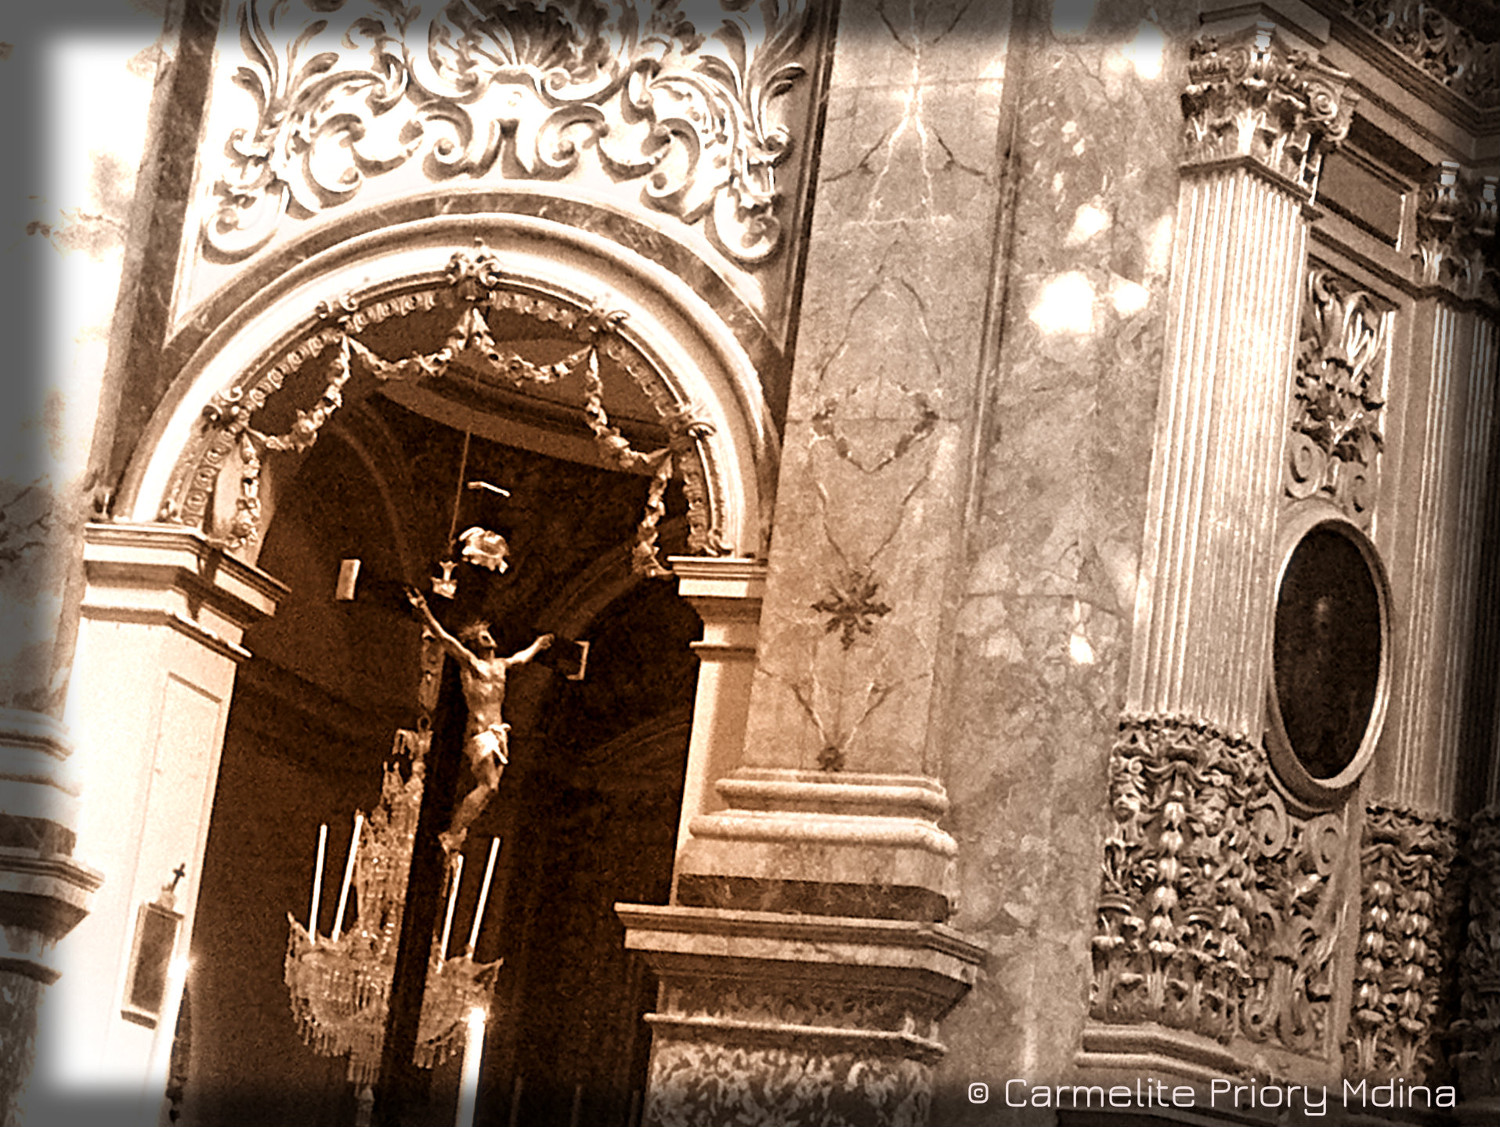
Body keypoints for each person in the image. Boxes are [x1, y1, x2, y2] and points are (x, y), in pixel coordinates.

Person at [407, 588, 553, 852]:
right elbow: (445, 638)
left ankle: (460, 831)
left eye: (489, 635)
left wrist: (538, 644)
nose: (490, 638)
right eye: (484, 636)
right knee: (489, 784)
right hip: (482, 734)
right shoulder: (472, 665)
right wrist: (424, 610)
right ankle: (450, 834)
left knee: (491, 791)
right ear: (476, 644)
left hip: (499, 734)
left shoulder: (501, 666)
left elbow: (522, 659)